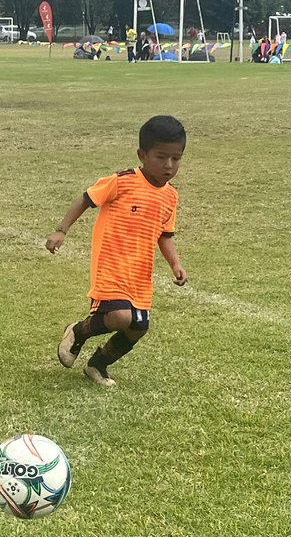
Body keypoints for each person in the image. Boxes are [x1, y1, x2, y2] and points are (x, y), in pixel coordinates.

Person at [45, 115, 188, 387]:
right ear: (142, 155)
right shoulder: (121, 182)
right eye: (161, 157)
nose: (169, 165)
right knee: (121, 317)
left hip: (140, 273)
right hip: (111, 266)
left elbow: (165, 235)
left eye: (176, 158)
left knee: (138, 327)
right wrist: (61, 230)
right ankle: (78, 331)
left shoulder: (171, 195)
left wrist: (176, 264)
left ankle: (97, 364)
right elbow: (85, 200)